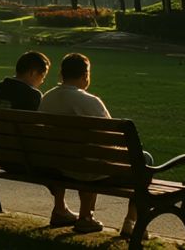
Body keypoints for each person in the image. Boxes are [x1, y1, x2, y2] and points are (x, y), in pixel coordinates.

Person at [40, 52, 145, 237]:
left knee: (88, 156)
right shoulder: (90, 101)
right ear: (85, 76)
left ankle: (85, 216)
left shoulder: (46, 99)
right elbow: (113, 139)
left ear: (61, 74)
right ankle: (131, 221)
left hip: (59, 166)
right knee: (144, 159)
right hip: (87, 169)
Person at [0, 52, 78, 229]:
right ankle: (60, 209)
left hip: (2, 156)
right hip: (25, 160)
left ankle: (62, 208)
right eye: (42, 76)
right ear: (32, 73)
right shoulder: (32, 95)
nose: (43, 81)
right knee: (56, 159)